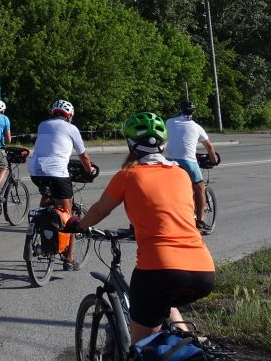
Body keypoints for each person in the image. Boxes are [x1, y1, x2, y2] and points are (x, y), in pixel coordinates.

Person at [65, 111, 215, 347]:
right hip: (203, 271)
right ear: (163, 145)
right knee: (166, 305)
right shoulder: (181, 174)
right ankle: (190, 346)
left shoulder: (128, 176)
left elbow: (100, 211)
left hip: (159, 270)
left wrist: (78, 225)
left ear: (130, 144)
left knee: (140, 347)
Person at [27, 99, 94, 270]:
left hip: (35, 171)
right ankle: (69, 259)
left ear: (53, 113)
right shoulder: (71, 128)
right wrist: (90, 170)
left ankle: (41, 221)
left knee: (48, 195)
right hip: (57, 172)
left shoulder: (43, 125)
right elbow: (83, 155)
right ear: (69, 116)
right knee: (68, 215)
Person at [165, 98, 219, 232]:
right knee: (199, 189)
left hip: (169, 161)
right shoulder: (197, 127)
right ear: (193, 112)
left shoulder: (169, 122)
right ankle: (200, 221)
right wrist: (213, 161)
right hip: (188, 161)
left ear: (179, 110)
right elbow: (209, 147)